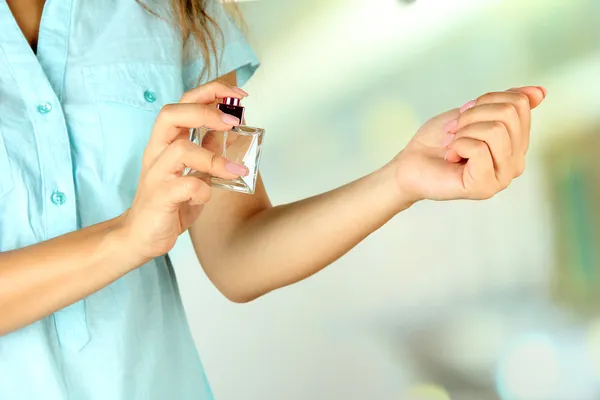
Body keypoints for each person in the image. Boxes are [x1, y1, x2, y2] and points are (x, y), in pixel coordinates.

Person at [0, 0, 546, 399]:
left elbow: (239, 246)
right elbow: (137, 234)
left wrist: (400, 179)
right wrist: (126, 238)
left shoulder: (188, 12)